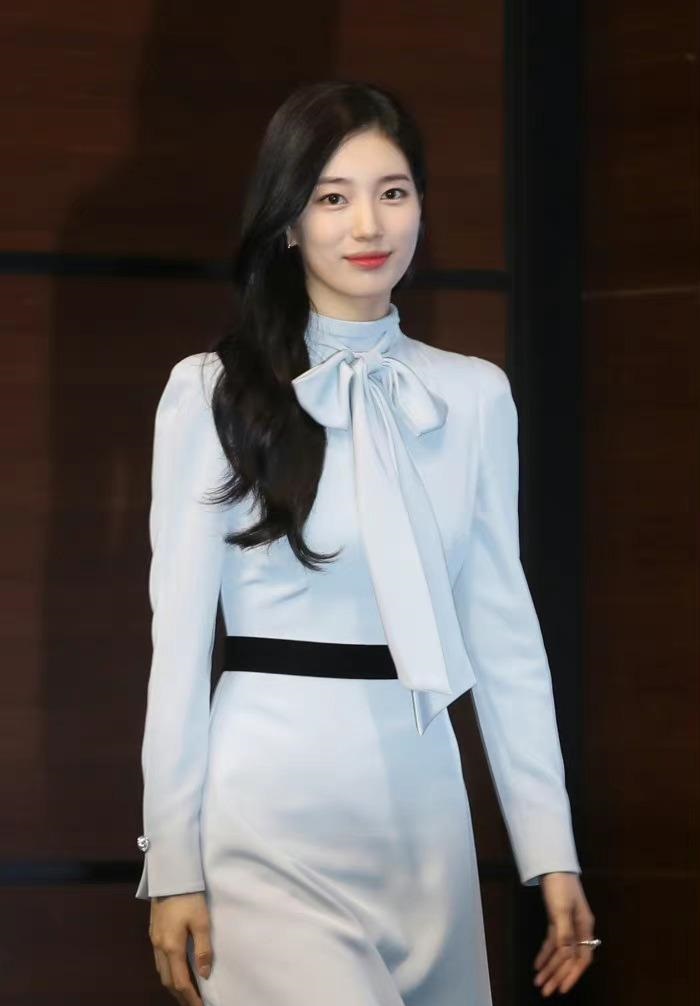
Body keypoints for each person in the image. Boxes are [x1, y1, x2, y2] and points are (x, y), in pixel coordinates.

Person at [134, 80, 599, 1005]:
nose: (367, 224)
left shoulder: (474, 395)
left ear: (421, 203)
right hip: (269, 810)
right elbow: (176, 648)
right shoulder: (212, 391)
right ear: (287, 221)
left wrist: (552, 851)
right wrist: (172, 859)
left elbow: (505, 639)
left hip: (425, 814)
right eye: (331, 197)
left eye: (392, 192)